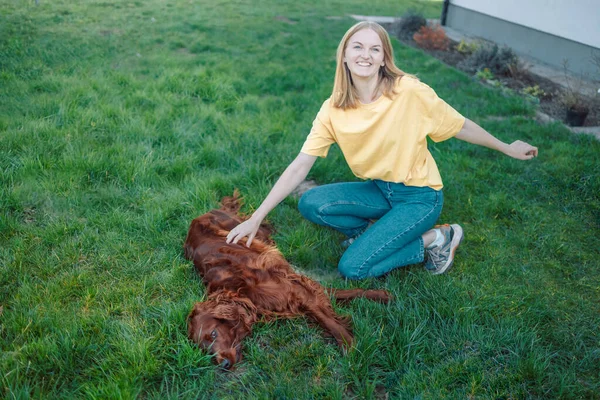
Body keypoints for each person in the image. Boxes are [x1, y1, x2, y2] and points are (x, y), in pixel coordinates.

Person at [226, 21, 538, 279]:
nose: (366, 54)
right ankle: (381, 231)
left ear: (383, 58)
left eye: (375, 49)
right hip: (381, 189)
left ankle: (436, 239)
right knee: (311, 203)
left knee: (354, 267)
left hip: (420, 196)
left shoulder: (408, 92)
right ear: (345, 56)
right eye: (358, 47)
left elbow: (460, 125)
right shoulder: (333, 109)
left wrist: (505, 147)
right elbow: (299, 166)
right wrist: (256, 217)